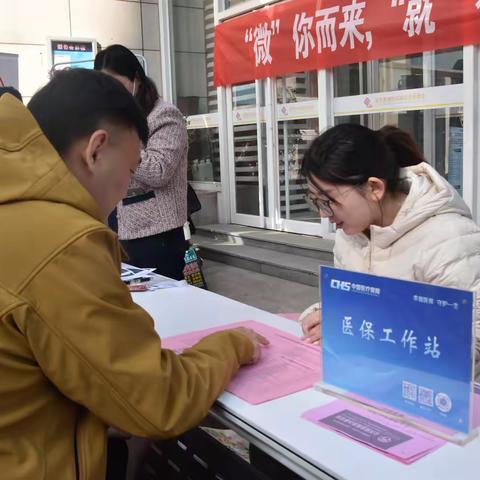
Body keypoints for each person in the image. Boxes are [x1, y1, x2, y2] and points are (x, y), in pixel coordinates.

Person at [0, 69, 268, 480]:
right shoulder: (62, 242)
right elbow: (157, 400)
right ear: (95, 150)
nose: (125, 189)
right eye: (129, 170)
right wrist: (232, 345)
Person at [299, 123, 480, 375]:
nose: (322, 213)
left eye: (329, 200)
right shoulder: (351, 236)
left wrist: (364, 334)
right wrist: (326, 313)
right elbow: (357, 305)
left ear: (374, 188)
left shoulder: (449, 238)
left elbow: (470, 343)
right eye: (315, 200)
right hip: (367, 380)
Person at [94, 44, 188, 280]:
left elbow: (159, 170)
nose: (113, 94)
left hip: (158, 235)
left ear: (136, 78)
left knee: (165, 307)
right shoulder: (118, 118)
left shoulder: (164, 115)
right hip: (121, 230)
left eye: (117, 84)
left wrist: (119, 144)